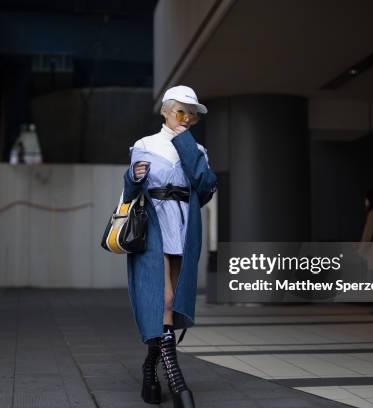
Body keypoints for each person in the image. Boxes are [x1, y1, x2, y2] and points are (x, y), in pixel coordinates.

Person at [123, 85, 217, 408]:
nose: (188, 118)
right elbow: (129, 191)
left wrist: (186, 143)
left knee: (172, 302)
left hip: (183, 227)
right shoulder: (144, 145)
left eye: (192, 114)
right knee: (161, 297)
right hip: (153, 227)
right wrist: (133, 176)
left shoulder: (197, 149)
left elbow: (205, 188)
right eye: (182, 111)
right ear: (165, 111)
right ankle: (176, 379)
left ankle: (150, 368)